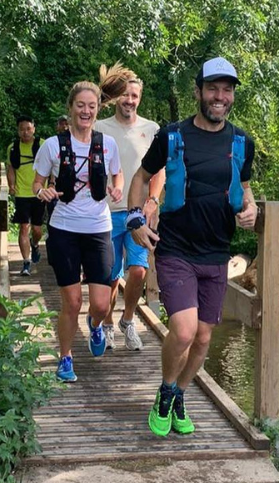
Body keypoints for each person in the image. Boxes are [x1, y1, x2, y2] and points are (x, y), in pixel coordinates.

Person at [127, 57, 258, 436]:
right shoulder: (172, 136)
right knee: (183, 331)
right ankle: (167, 392)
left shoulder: (241, 142)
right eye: (213, 88)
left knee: (203, 337)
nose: (221, 96)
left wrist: (249, 210)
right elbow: (141, 175)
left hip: (217, 253)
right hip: (176, 249)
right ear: (199, 91)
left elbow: (245, 189)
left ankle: (181, 392)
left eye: (227, 90)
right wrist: (136, 219)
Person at [33, 78, 124, 383]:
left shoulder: (107, 144)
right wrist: (41, 192)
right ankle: (65, 357)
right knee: (71, 302)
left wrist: (117, 190)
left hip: (98, 228)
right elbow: (37, 182)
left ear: (97, 110)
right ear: (70, 108)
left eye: (91, 106)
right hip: (64, 228)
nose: (86, 111)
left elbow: (118, 175)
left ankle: (96, 325)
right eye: (80, 105)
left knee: (100, 304)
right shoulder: (51, 145)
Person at [94, 64, 164, 351]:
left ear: (140, 98)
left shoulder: (152, 129)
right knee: (111, 274)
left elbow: (159, 171)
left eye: (134, 96)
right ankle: (107, 324)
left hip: (139, 213)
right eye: (124, 95)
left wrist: (153, 201)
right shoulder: (100, 128)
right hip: (106, 212)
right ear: (116, 98)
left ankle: (128, 320)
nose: (130, 101)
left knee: (138, 270)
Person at [6, 115, 45, 276]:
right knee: (24, 227)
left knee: (37, 229)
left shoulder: (42, 145)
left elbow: (52, 166)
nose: (26, 132)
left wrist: (50, 185)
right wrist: (12, 186)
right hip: (21, 193)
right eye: (22, 129)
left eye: (28, 129)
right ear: (18, 131)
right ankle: (26, 262)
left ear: (34, 129)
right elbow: (11, 168)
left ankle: (35, 244)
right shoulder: (13, 148)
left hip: (39, 193)